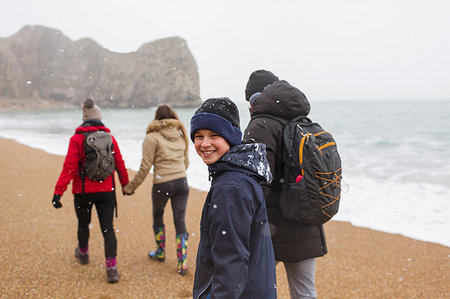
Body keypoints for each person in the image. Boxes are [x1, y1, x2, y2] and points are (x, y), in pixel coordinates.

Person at [243, 70, 327, 299]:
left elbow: (254, 180)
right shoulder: (302, 122)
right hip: (307, 220)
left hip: (272, 228)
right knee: (305, 292)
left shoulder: (260, 125)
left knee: (253, 288)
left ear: (256, 98)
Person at [190, 97, 277, 299]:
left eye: (214, 135)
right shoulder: (242, 173)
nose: (205, 144)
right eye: (198, 136)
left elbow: (231, 260)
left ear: (230, 137)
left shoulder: (230, 187)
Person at [52, 98, 129, 283]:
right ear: (99, 118)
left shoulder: (77, 138)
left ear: (84, 118)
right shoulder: (109, 138)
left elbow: (69, 167)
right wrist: (125, 184)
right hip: (107, 191)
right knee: (108, 229)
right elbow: (119, 162)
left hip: (83, 192)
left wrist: (58, 192)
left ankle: (84, 254)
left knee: (83, 224)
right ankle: (111, 269)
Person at [123, 104, 190, 275]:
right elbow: (186, 162)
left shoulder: (152, 137)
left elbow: (145, 167)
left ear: (156, 117)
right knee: (180, 220)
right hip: (182, 182)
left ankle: (160, 253)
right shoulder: (181, 134)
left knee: (158, 215)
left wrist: (130, 187)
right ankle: (182, 263)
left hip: (162, 183)